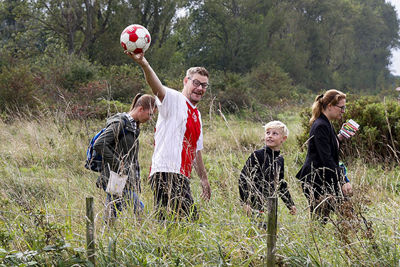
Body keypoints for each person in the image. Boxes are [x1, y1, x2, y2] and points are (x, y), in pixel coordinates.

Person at [126, 52, 211, 220]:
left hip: (181, 176)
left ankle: (154, 243)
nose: (200, 88)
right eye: (196, 83)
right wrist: (144, 64)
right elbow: (156, 87)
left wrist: (204, 179)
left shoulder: (197, 115)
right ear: (186, 81)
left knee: (167, 223)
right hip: (166, 171)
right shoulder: (174, 98)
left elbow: (196, 150)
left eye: (204, 85)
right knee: (190, 221)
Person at [93, 93, 156, 223]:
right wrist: (118, 164)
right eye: (150, 114)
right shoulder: (121, 123)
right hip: (117, 176)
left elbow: (130, 156)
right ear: (140, 109)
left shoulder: (132, 126)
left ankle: (107, 236)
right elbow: (99, 143)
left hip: (123, 178)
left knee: (113, 211)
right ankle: (147, 231)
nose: (150, 118)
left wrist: (134, 178)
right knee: (139, 208)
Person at [296, 89, 353, 223]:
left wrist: (340, 137)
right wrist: (343, 180)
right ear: (329, 106)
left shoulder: (326, 123)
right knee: (324, 219)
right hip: (316, 180)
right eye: (341, 107)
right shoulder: (321, 125)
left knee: (344, 214)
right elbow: (326, 158)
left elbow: (327, 149)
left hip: (324, 178)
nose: (343, 111)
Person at [239, 121, 297, 224]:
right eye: (268, 133)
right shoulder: (257, 155)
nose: (270, 136)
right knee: (256, 230)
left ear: (283, 139)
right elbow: (243, 178)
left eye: (275, 133)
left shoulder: (280, 159)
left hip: (270, 204)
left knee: (269, 232)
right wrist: (245, 202)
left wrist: (290, 204)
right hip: (253, 204)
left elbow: (280, 184)